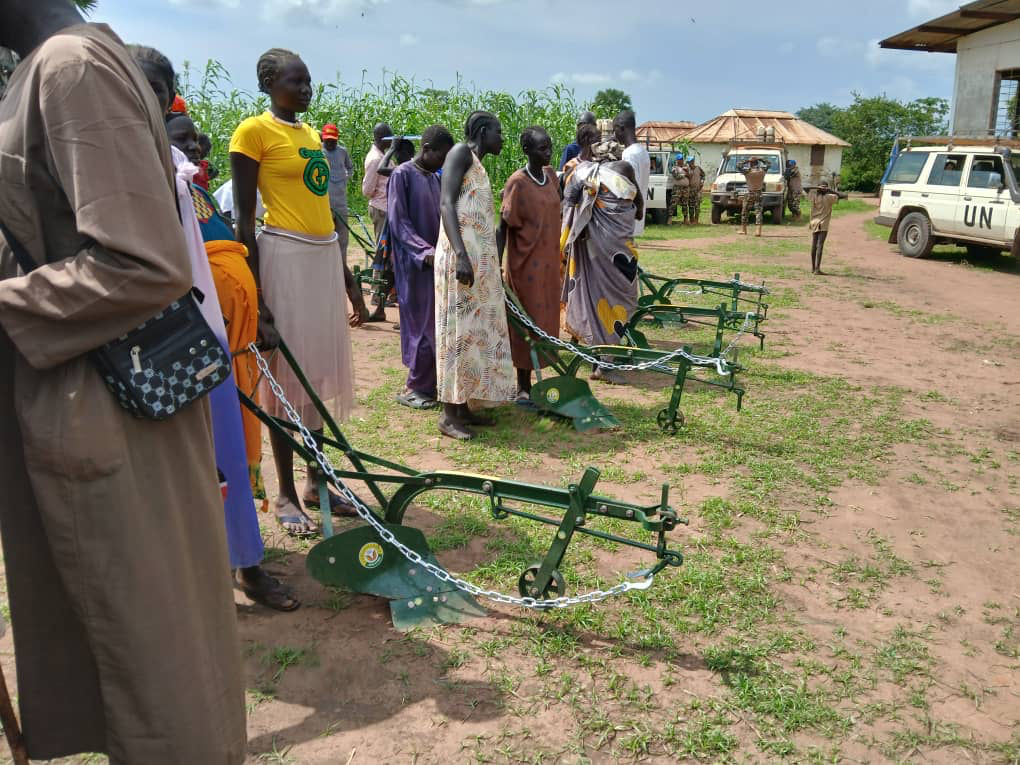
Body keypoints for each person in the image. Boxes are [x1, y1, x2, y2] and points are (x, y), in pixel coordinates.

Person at [0, 8, 245, 762]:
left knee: (151, 664)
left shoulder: (71, 68)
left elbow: (141, 262)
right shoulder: (64, 61)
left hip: (98, 404)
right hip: (84, 394)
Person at [161, 104, 300, 611]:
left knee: (236, 449)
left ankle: (244, 557)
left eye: (198, 140)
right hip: (193, 352)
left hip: (232, 345)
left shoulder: (194, 192)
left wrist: (258, 313)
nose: (195, 147)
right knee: (209, 458)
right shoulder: (159, 194)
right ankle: (227, 566)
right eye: (183, 139)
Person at [230, 48, 356, 536]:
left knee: (316, 374)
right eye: (295, 82)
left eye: (308, 81)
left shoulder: (308, 133)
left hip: (321, 258)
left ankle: (317, 480)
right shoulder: (253, 132)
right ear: (268, 83)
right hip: (283, 256)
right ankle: (283, 490)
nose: (305, 89)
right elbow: (244, 219)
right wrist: (259, 301)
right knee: (284, 379)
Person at [434, 111, 517, 440]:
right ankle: (447, 415)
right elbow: (445, 204)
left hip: (477, 264)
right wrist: (461, 254)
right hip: (460, 261)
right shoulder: (459, 153)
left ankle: (464, 405)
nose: (502, 138)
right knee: (456, 334)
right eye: (498, 132)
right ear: (483, 132)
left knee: (472, 334)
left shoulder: (477, 163)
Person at [561, 141, 644, 385]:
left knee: (592, 298)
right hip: (620, 252)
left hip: (590, 248)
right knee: (622, 300)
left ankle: (600, 360)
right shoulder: (625, 169)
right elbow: (638, 209)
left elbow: (568, 203)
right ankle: (605, 363)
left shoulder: (580, 172)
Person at [387, 126, 456, 410]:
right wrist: (424, 251)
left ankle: (429, 382)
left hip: (435, 261)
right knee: (420, 325)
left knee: (436, 323)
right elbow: (398, 221)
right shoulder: (402, 174)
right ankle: (416, 386)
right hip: (414, 262)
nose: (444, 162)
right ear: (426, 149)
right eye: (441, 155)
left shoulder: (434, 178)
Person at [499, 126, 562, 406]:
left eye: (549, 147)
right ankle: (522, 385)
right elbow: (503, 227)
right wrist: (495, 268)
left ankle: (542, 379)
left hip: (549, 265)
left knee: (546, 321)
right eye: (541, 148)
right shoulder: (517, 183)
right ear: (527, 150)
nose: (547, 152)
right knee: (525, 323)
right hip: (525, 266)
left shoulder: (550, 177)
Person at [322, 122, 371, 325]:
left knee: (341, 244)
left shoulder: (342, 152)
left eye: (333, 140)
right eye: (328, 140)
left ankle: (340, 270)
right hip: (324, 207)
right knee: (326, 244)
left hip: (341, 204)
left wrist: (346, 178)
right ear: (323, 138)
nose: (331, 144)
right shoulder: (318, 152)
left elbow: (350, 168)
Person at [614, 110, 650, 237]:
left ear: (622, 128)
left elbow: (629, 188)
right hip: (636, 220)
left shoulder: (629, 154)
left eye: (615, 130)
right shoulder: (643, 152)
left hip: (628, 219)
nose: (615, 135)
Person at [805, 180, 847, 275]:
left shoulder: (814, 195)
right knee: (820, 245)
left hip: (814, 222)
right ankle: (817, 269)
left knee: (814, 245)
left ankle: (813, 268)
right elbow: (843, 195)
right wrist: (830, 190)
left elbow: (805, 189)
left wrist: (816, 187)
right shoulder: (829, 197)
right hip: (823, 223)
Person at [561, 122, 601, 193]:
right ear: (587, 141)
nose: (600, 144)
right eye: (597, 140)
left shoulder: (597, 162)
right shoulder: (572, 166)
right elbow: (569, 193)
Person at [738, 156, 766, 237]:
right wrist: (760, 158)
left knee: (745, 211)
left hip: (750, 193)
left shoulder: (747, 171)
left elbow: (738, 166)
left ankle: (743, 230)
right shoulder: (762, 170)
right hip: (759, 193)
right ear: (758, 163)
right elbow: (769, 164)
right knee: (758, 212)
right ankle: (758, 231)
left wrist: (746, 160)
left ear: (750, 163)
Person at [669, 154, 690, 225]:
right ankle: (670, 219)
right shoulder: (674, 168)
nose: (681, 161)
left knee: (685, 203)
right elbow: (676, 177)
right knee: (673, 203)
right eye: (680, 159)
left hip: (685, 188)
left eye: (682, 159)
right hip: (677, 188)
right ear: (677, 160)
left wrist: (687, 172)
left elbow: (690, 176)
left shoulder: (686, 167)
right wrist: (685, 174)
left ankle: (686, 219)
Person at [686, 156, 704, 225]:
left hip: (698, 189)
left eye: (691, 162)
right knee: (690, 205)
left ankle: (696, 220)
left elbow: (703, 175)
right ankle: (691, 220)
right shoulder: (687, 169)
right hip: (690, 190)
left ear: (693, 161)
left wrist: (702, 182)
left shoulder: (698, 168)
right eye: (689, 162)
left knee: (697, 205)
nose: (690, 163)